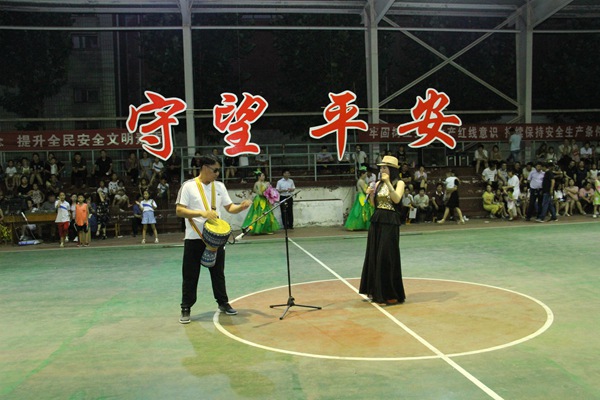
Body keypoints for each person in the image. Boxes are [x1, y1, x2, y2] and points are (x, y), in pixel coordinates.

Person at [176, 154, 252, 323]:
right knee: (190, 275)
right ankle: (186, 307)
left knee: (218, 273)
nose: (217, 173)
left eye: (219, 170)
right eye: (215, 170)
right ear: (204, 168)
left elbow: (229, 207)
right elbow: (179, 210)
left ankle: (223, 303)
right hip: (194, 238)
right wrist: (202, 213)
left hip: (215, 239)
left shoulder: (219, 186)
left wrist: (240, 207)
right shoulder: (188, 186)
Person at [358, 155, 406, 306]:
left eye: (385, 167)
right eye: (381, 168)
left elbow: (396, 199)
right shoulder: (377, 183)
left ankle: (390, 293)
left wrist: (388, 183)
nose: (382, 170)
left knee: (387, 256)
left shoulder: (399, 183)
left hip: (390, 220)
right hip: (378, 219)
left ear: (392, 169)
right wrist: (371, 195)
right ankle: (376, 291)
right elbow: (374, 204)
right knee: (375, 254)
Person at [242, 170, 280, 234]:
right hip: (259, 200)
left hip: (265, 200)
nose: (264, 177)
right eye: (262, 175)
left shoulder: (266, 183)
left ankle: (265, 229)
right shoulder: (257, 183)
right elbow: (258, 192)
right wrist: (266, 194)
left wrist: (270, 194)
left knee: (267, 214)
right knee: (259, 214)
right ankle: (257, 229)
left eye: (264, 175)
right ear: (259, 177)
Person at [344, 166, 374, 231]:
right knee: (363, 210)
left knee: (360, 211)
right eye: (365, 174)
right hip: (362, 197)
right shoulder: (361, 181)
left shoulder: (361, 181)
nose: (366, 175)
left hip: (361, 196)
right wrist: (370, 188)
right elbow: (365, 191)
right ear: (362, 174)